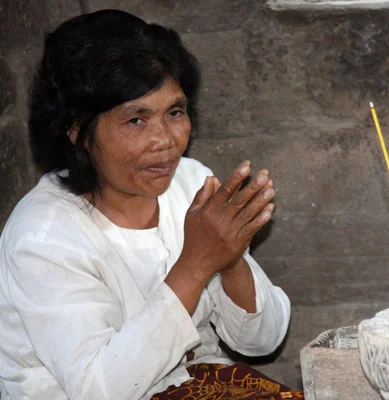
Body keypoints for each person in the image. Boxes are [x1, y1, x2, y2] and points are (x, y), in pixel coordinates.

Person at [0, 9, 297, 400]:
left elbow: (262, 341)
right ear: (76, 129)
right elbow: (99, 389)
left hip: (202, 383)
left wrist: (230, 255)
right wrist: (196, 264)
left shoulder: (190, 182)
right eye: (136, 120)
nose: (165, 140)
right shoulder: (44, 238)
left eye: (175, 113)